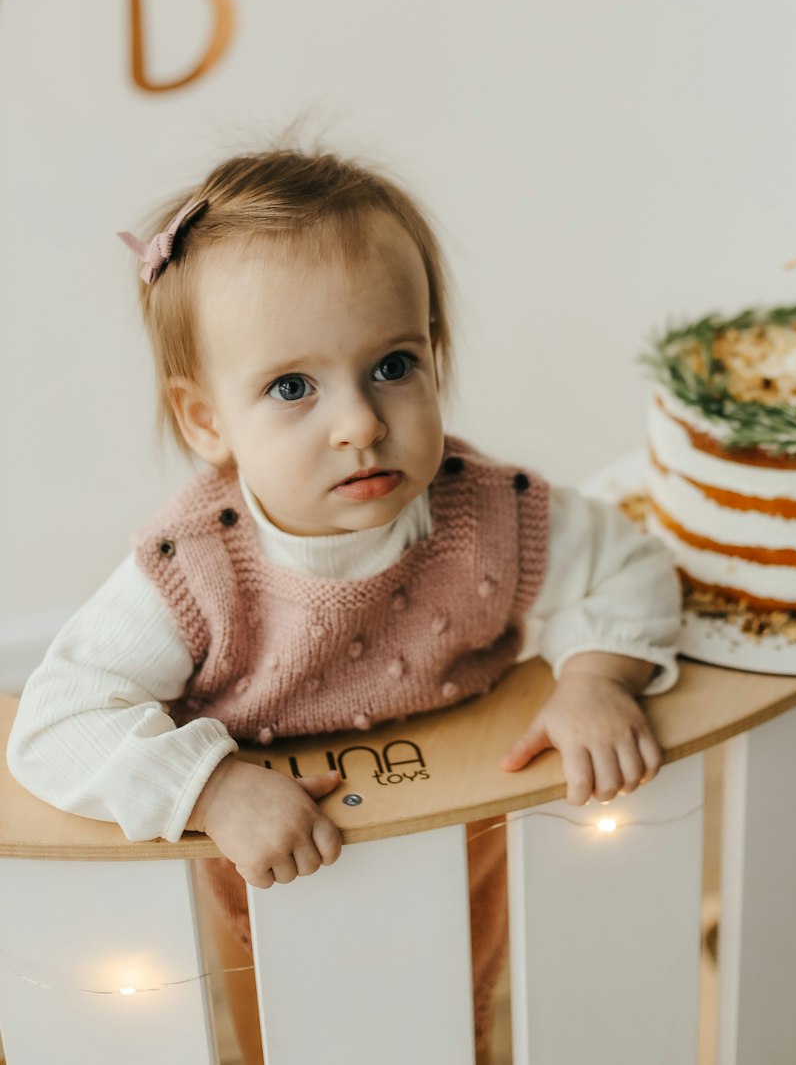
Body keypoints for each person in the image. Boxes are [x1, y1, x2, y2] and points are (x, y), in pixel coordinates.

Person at [7, 144, 681, 1064]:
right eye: (293, 387)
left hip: (455, 822)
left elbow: (632, 564)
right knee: (293, 1027)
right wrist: (213, 785)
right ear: (206, 419)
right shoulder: (197, 570)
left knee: (458, 1009)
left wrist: (597, 677)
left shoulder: (487, 513)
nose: (360, 422)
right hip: (277, 863)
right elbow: (54, 721)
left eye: (394, 365)